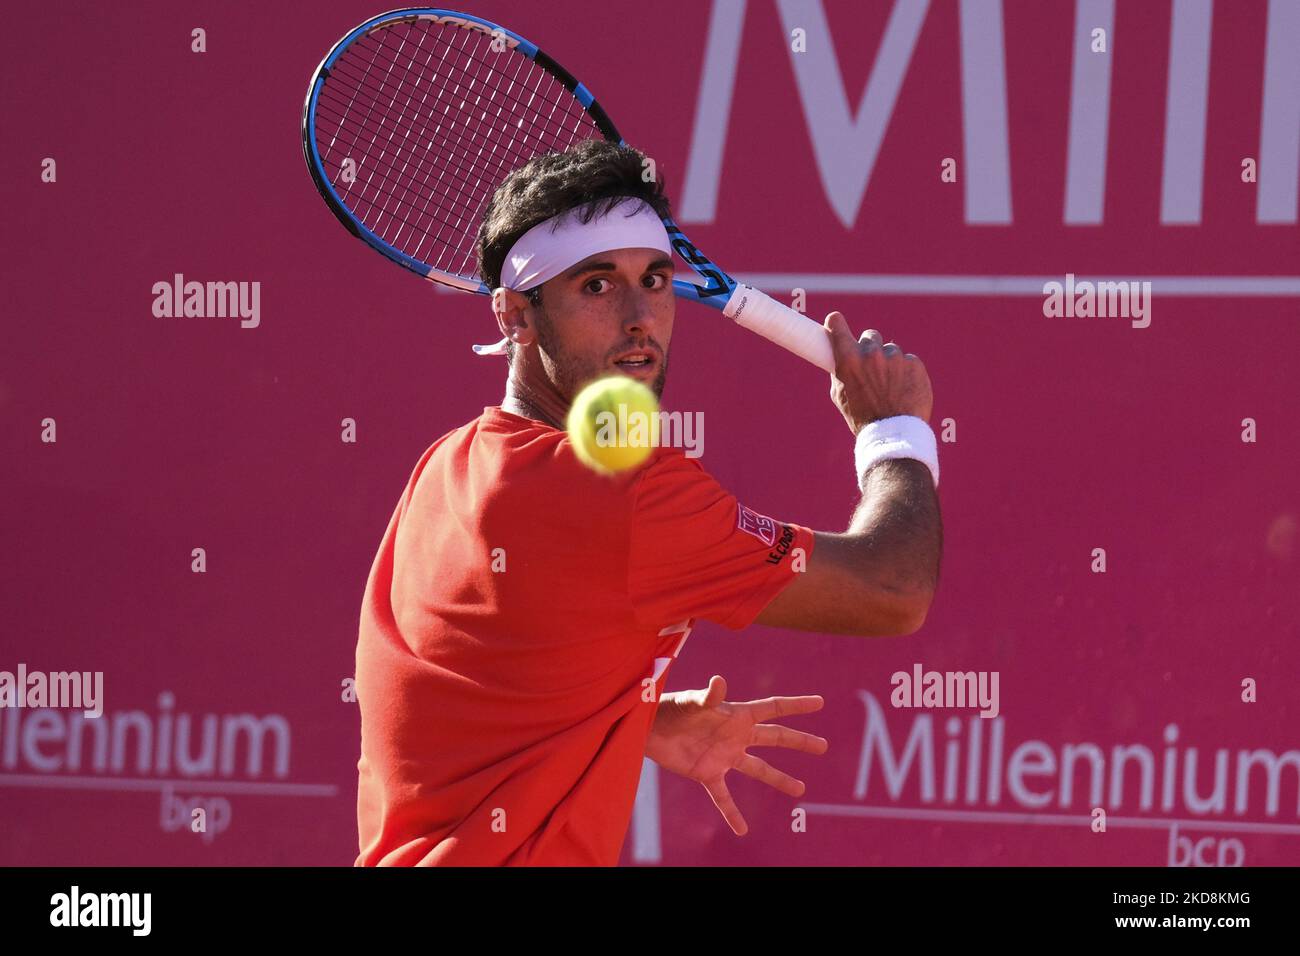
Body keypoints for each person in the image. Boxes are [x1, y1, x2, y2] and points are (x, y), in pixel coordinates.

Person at [354, 139, 942, 866]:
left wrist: (629, 718)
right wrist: (894, 431)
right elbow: (892, 590)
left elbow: (474, 695)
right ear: (515, 317)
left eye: (656, 279)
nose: (639, 317)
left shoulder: (443, 466)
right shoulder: (620, 496)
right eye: (596, 286)